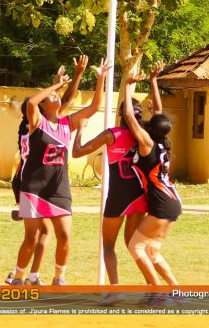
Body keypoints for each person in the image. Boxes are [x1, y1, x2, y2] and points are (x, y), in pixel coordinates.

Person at [9, 57, 111, 286]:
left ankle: (59, 277)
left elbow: (94, 108)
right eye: (51, 97)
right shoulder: (37, 123)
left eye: (56, 95)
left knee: (65, 235)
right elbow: (32, 103)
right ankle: (18, 276)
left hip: (59, 189)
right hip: (34, 187)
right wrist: (56, 85)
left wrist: (101, 79)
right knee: (31, 237)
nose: (56, 97)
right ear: (44, 105)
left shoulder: (66, 123)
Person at [72, 62, 164, 297]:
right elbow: (159, 113)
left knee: (108, 244)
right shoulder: (145, 135)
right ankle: (153, 288)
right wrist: (153, 81)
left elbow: (77, 152)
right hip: (139, 196)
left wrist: (80, 129)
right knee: (135, 245)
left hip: (118, 196)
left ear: (122, 114)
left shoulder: (112, 134)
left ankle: (115, 290)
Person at [120, 70, 181, 296]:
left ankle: (156, 292)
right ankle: (177, 291)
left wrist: (128, 85)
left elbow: (129, 116)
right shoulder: (163, 142)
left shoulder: (147, 144)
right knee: (152, 252)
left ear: (151, 129)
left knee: (135, 246)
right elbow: (158, 112)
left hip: (162, 204)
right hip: (174, 203)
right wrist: (154, 80)